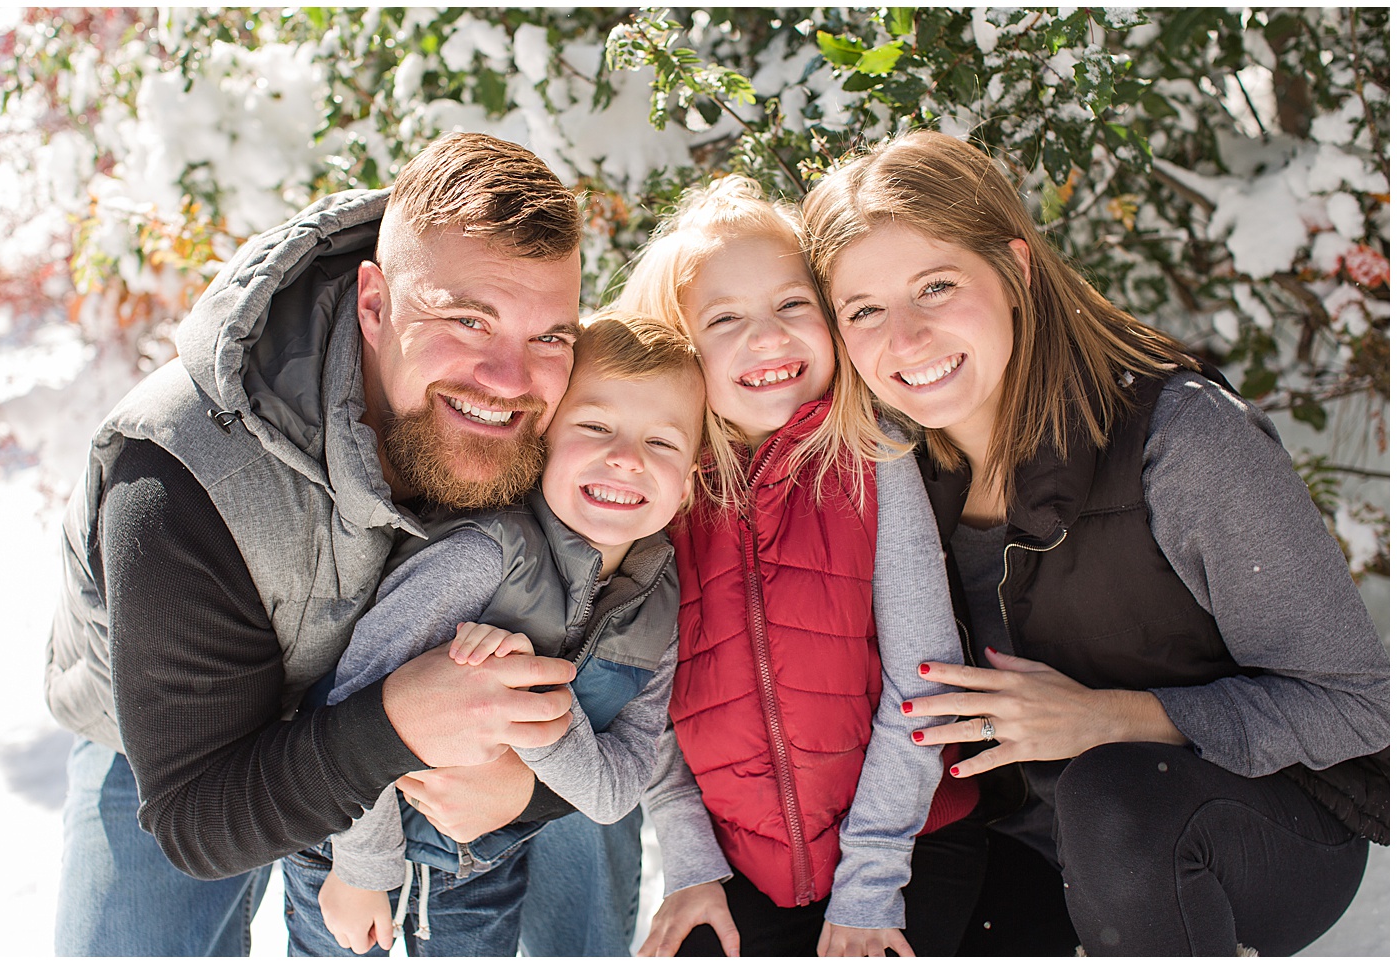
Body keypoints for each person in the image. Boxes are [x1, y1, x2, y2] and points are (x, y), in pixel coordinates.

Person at [802, 128, 1390, 956]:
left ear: (1015, 268)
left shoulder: (1183, 442)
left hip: (1252, 821)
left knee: (1116, 798)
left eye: (935, 286)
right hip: (1028, 832)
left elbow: (1356, 704)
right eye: (864, 310)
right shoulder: (889, 474)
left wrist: (1107, 719)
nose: (904, 340)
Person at [44, 132, 627, 956]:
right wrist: (395, 723)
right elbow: (195, 818)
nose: (510, 379)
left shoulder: (566, 424)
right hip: (183, 740)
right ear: (376, 304)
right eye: (468, 321)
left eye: (550, 336)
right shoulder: (181, 476)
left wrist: (529, 788)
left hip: (422, 735)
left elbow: (630, 652)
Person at [618, 175, 985, 957]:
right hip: (742, 866)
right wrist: (689, 863)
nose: (768, 338)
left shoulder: (871, 457)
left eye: (792, 305)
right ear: (682, 350)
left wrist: (871, 880)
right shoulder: (666, 493)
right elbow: (644, 700)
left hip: (911, 846)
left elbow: (925, 679)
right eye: (725, 319)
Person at [282, 312, 706, 956]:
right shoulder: (485, 555)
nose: (625, 458)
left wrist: (533, 716)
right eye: (595, 427)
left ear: (693, 475)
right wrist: (361, 870)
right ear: (545, 439)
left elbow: (615, 792)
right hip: (344, 844)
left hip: (480, 867)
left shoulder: (658, 605)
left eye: (662, 443)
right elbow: (350, 708)